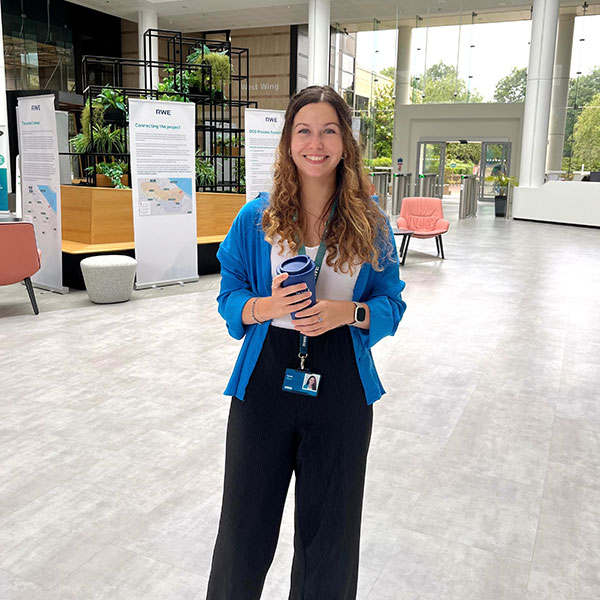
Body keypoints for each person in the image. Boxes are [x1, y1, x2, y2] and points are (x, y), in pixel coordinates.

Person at [206, 85, 406, 600]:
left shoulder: (372, 224)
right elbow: (228, 294)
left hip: (340, 385)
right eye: (304, 130)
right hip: (265, 382)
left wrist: (349, 313)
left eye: (328, 130)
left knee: (330, 542)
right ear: (288, 142)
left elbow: (392, 305)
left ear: (344, 143)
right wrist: (266, 307)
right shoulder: (257, 219)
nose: (315, 143)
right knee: (243, 533)